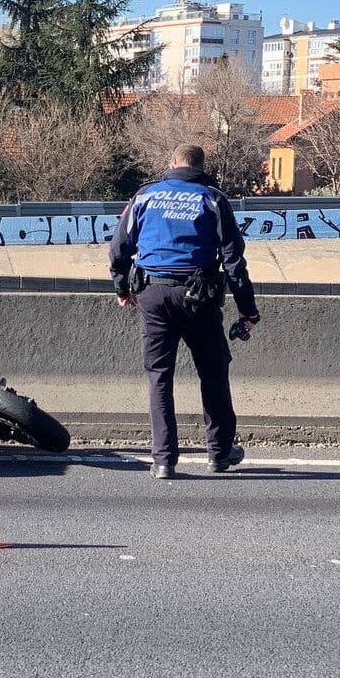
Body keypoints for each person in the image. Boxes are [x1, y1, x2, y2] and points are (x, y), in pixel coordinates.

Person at [109, 145, 260, 479]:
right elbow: (234, 261)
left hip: (153, 293)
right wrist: (247, 310)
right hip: (200, 296)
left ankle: (163, 460)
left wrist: (122, 288)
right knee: (213, 371)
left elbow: (119, 247)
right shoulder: (213, 199)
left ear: (172, 164)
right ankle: (219, 454)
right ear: (200, 167)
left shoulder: (145, 196)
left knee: (159, 375)